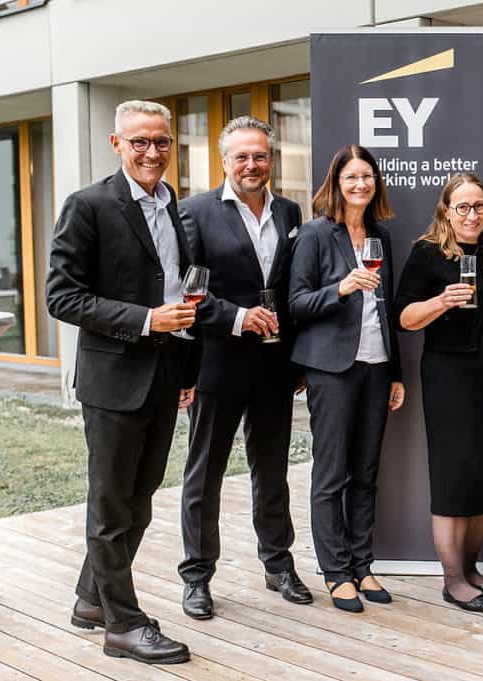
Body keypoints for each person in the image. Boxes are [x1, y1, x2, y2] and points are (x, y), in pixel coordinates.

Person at [46, 100, 199, 665]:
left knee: (139, 502)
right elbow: (61, 296)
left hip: (162, 376)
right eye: (139, 142)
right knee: (111, 507)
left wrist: (184, 368)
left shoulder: (168, 202)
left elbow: (170, 287)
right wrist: (144, 320)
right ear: (117, 144)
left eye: (161, 142)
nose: (152, 152)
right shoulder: (87, 206)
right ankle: (123, 625)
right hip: (113, 380)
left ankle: (93, 600)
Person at [176, 116, 309, 620]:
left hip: (274, 364)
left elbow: (292, 286)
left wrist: (296, 357)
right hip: (218, 363)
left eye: (261, 156)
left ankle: (278, 564)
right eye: (242, 156)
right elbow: (187, 292)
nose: (252, 165)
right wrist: (235, 317)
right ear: (224, 160)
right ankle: (197, 576)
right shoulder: (194, 213)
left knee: (272, 471)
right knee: (204, 474)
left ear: (272, 160)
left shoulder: (291, 211)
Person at [396, 172, 483, 613]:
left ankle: (471, 569)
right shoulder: (427, 253)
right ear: (446, 212)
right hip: (449, 377)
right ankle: (452, 580)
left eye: (479, 206)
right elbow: (404, 317)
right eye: (463, 207)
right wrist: (440, 303)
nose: (472, 215)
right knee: (454, 477)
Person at [288, 144, 406, 613]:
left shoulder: (381, 237)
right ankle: (336, 572)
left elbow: (388, 310)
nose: (361, 184)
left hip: (377, 367)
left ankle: (363, 564)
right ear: (336, 183)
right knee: (331, 474)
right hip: (331, 369)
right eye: (351, 177)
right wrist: (341, 287)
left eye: (367, 177)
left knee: (367, 473)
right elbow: (295, 303)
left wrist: (396, 372)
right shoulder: (316, 234)